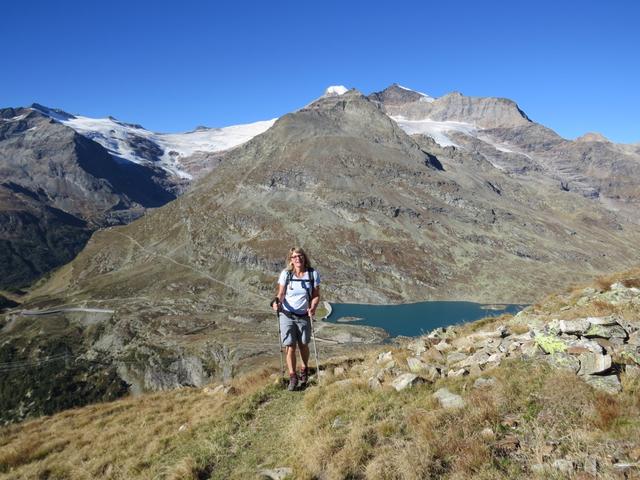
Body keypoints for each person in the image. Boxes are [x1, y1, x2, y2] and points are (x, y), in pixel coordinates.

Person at [271, 247, 320, 391]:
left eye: (300, 256)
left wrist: (313, 307)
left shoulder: (312, 274)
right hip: (287, 314)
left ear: (304, 257)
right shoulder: (286, 274)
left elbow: (316, 295)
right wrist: (277, 302)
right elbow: (281, 293)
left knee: (304, 343)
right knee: (290, 346)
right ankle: (293, 376)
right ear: (291, 260)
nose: (297, 259)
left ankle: (304, 368)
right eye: (294, 257)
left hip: (304, 315)